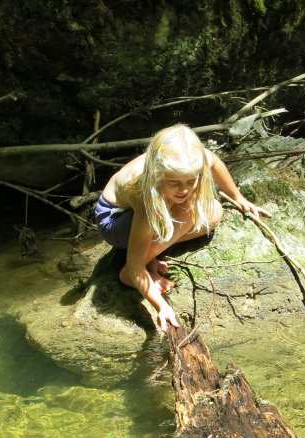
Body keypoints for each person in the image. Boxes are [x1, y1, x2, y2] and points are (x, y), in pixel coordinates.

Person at [94, 124, 271, 332]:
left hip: (142, 215)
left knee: (213, 212)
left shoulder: (192, 157)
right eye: (174, 183)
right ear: (158, 174)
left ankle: (149, 250)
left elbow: (213, 161)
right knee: (189, 207)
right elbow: (136, 267)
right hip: (115, 221)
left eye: (190, 180)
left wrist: (238, 197)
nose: (184, 189)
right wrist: (161, 305)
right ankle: (132, 268)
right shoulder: (143, 191)